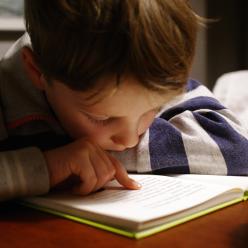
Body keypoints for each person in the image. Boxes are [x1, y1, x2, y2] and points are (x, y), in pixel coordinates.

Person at [0, 0, 248, 201]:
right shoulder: (8, 91)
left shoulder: (151, 72)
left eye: (152, 109)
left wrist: (101, 159)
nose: (130, 139)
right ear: (36, 71)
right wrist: (44, 166)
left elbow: (238, 149)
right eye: (102, 117)